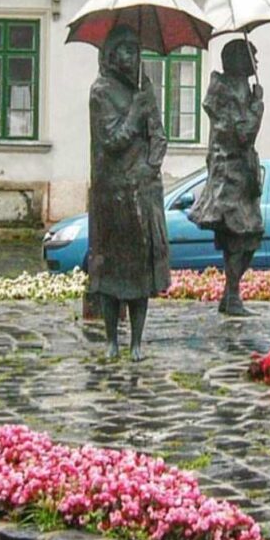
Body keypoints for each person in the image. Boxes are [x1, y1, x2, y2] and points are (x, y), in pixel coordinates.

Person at [88, 25, 170, 361]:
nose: (132, 57)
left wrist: (151, 166)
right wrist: (136, 110)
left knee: (140, 271)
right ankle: (112, 339)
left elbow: (159, 136)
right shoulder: (101, 92)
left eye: (136, 51)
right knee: (112, 272)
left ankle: (137, 339)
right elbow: (112, 140)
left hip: (143, 191)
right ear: (111, 54)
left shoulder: (144, 88)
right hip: (112, 195)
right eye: (125, 50)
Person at [188, 38, 264, 316]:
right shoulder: (223, 92)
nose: (257, 60)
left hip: (243, 174)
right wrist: (257, 107)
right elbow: (241, 134)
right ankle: (232, 296)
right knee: (239, 235)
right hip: (229, 173)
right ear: (237, 59)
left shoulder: (243, 88)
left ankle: (231, 294)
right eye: (252, 54)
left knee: (252, 236)